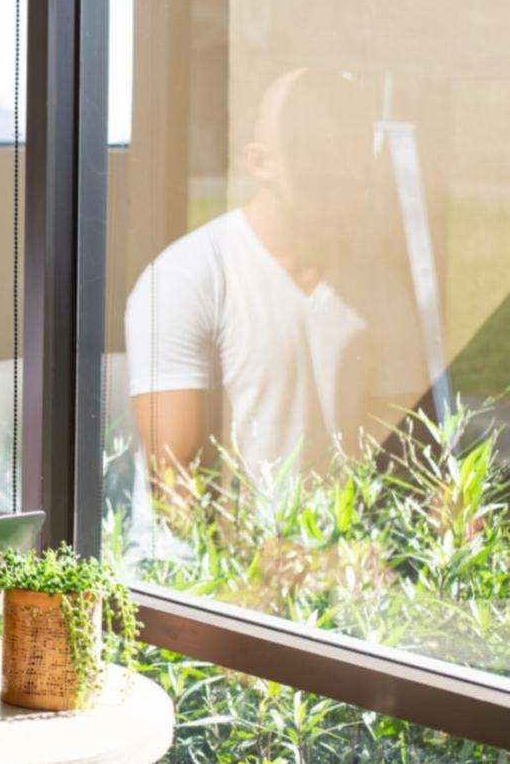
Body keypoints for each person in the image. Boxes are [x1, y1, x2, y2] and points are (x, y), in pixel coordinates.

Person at [124, 67, 426, 525]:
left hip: (337, 569)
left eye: (351, 159)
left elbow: (400, 457)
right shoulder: (185, 279)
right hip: (198, 579)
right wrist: (270, 565)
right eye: (316, 161)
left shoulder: (378, 287)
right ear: (258, 162)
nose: (338, 177)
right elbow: (173, 484)